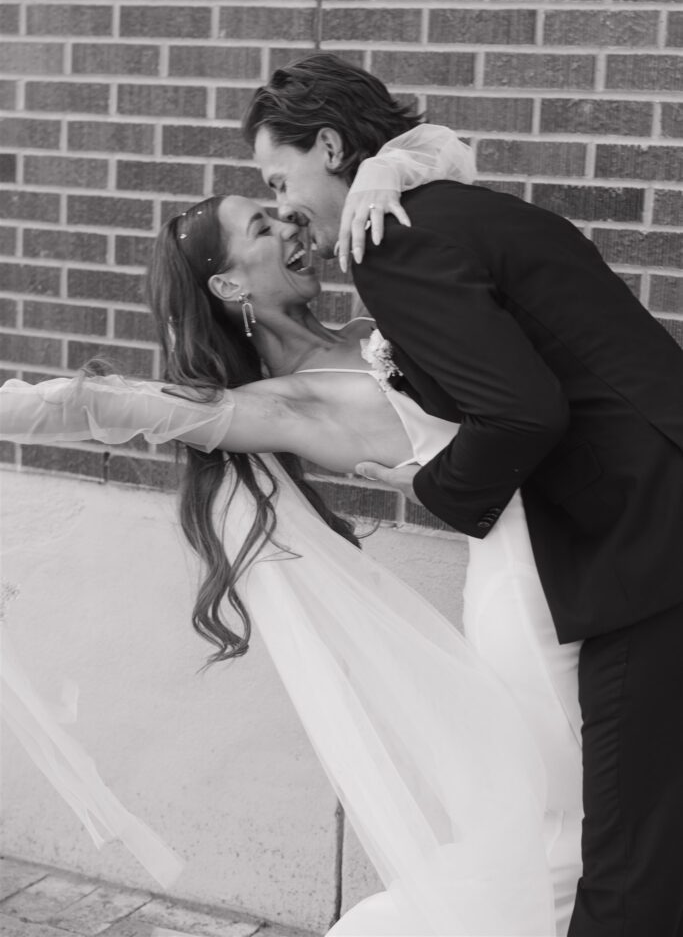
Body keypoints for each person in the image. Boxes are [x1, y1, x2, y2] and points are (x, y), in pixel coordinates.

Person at [0, 132, 581, 935]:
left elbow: (445, 154)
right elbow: (91, 405)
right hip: (534, 591)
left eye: (282, 209)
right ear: (228, 282)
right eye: (262, 227)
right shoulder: (282, 403)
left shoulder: (374, 326)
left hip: (578, 550)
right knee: (565, 833)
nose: (291, 225)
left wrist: (383, 170)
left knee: (582, 826)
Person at [242, 53, 683, 937]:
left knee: (626, 866)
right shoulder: (458, 208)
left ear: (328, 147)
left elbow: (522, 413)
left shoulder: (391, 238)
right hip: (649, 516)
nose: (283, 202)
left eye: (278, 176)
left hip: (642, 538)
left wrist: (429, 484)